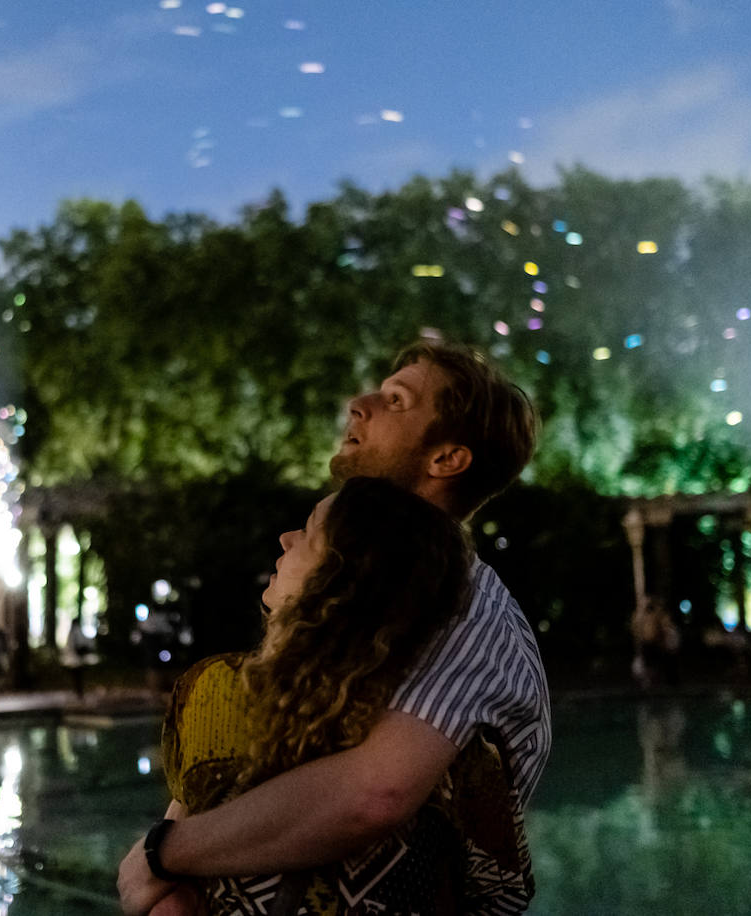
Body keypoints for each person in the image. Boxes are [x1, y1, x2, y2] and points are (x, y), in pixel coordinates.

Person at [119, 340, 550, 915]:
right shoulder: (354, 608)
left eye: (396, 401)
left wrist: (162, 854)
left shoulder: (465, 607)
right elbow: (225, 789)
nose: (358, 403)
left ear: (447, 459)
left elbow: (374, 795)